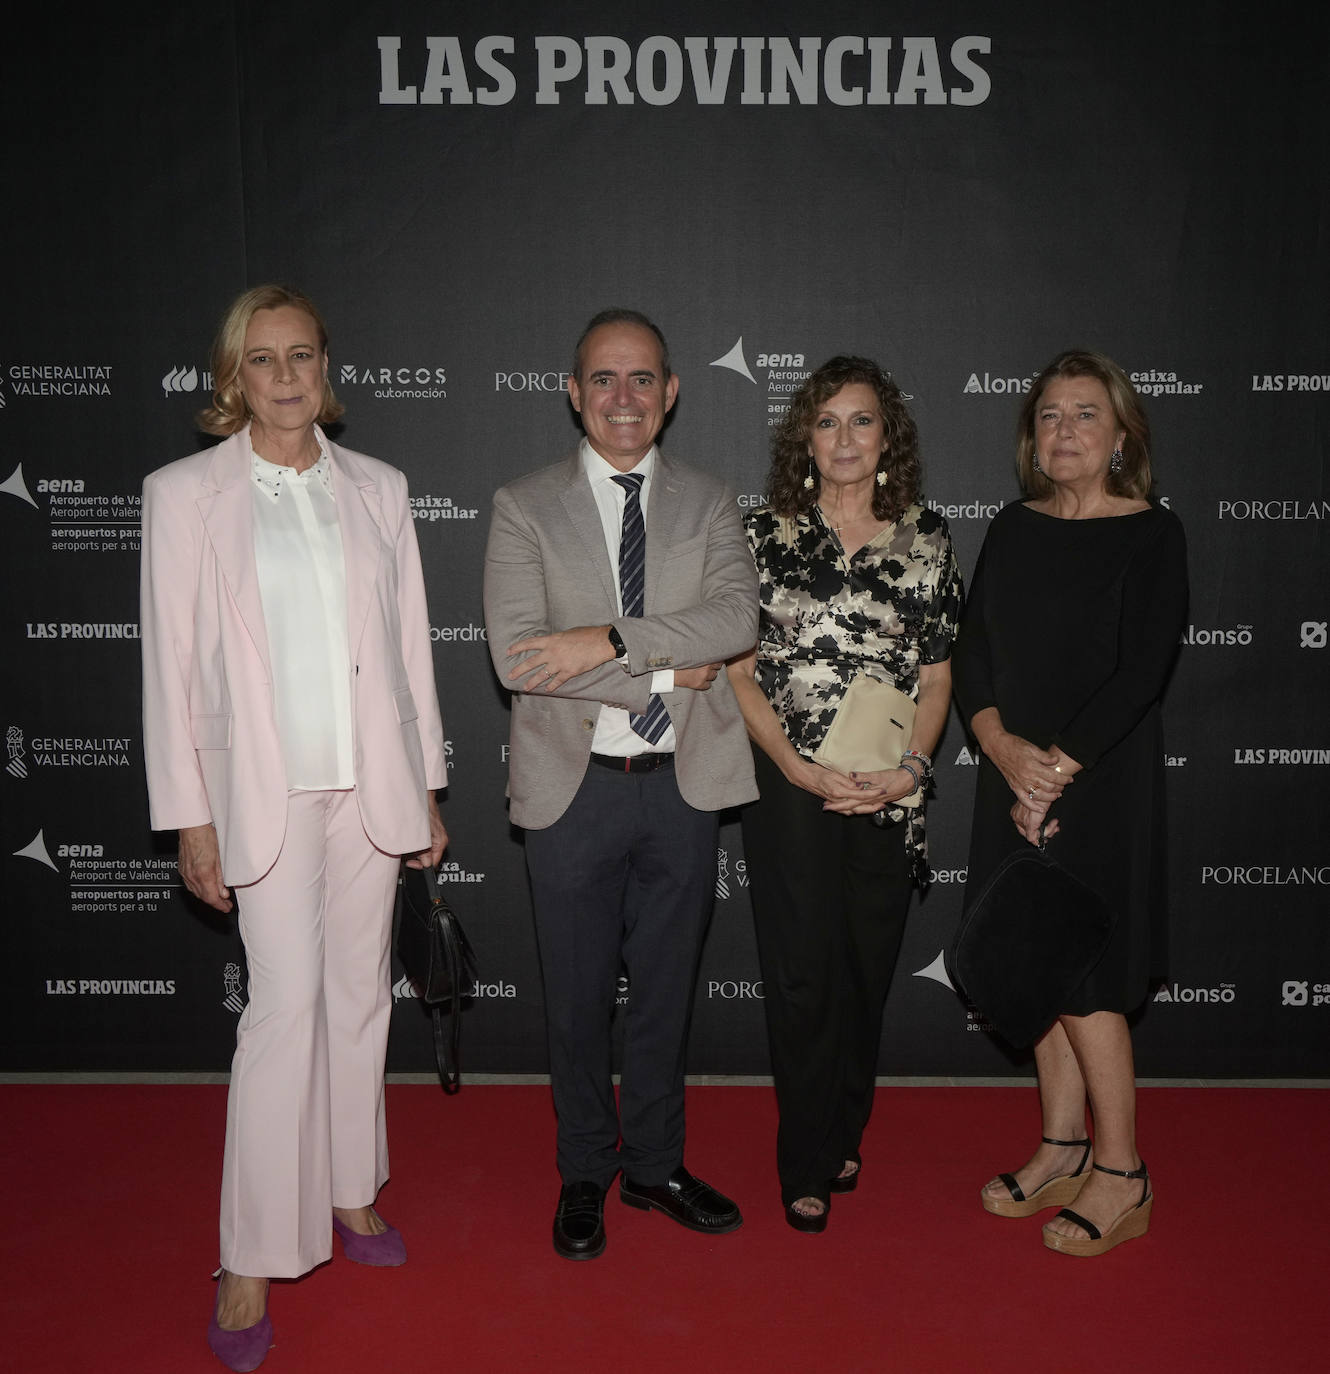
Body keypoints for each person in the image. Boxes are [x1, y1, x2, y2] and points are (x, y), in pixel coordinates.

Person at [141, 285, 447, 1370]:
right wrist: (191, 818)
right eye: (261, 360)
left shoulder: (380, 489)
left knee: (362, 998)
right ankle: (249, 1255)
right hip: (259, 796)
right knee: (282, 1014)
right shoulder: (182, 496)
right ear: (234, 378)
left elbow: (409, 646)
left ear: (327, 368)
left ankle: (350, 1188)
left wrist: (427, 788)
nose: (283, 377)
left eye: (301, 356)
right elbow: (171, 667)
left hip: (368, 789)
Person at [483, 308, 757, 1260]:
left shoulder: (713, 500)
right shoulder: (522, 504)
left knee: (668, 991)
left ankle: (656, 1166)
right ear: (574, 393)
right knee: (577, 998)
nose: (625, 397)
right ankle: (585, 1171)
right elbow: (519, 659)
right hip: (572, 790)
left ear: (672, 393)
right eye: (604, 379)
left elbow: (731, 619)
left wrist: (601, 643)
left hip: (680, 785)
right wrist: (663, 673)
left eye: (643, 379)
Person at [953, 349, 1187, 1257]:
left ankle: (1123, 1172)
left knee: (1087, 973)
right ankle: (1062, 1145)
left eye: (1085, 415)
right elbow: (972, 654)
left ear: (1122, 434)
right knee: (1028, 961)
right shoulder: (1012, 528)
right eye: (1049, 416)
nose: (1064, 432)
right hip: (1008, 771)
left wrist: (1055, 770)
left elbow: (1143, 669)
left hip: (1100, 782)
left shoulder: (1153, 534)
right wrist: (1005, 750)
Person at [726, 356, 962, 1232]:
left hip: (889, 788)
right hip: (791, 786)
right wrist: (793, 766)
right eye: (827, 422)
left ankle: (845, 1122)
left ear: (887, 436)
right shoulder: (763, 536)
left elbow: (938, 682)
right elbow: (739, 674)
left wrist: (910, 773)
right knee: (800, 977)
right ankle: (806, 1158)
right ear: (805, 439)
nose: (845, 439)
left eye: (861, 421)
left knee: (864, 973)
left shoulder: (929, 537)